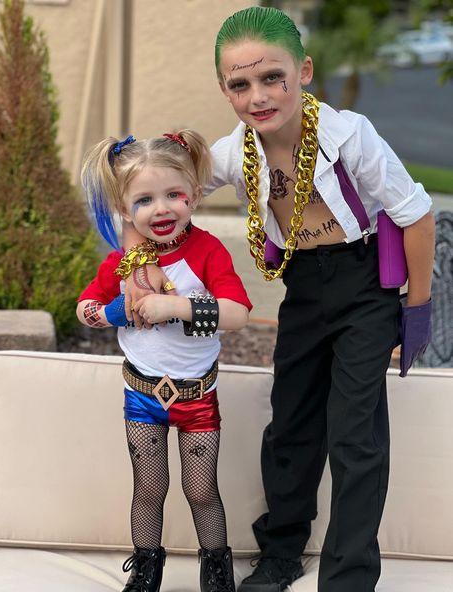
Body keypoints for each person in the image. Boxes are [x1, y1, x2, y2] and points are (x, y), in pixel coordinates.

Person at [121, 7, 435, 592]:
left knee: (354, 434)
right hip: (304, 287)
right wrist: (135, 263)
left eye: (273, 78)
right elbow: (155, 189)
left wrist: (416, 309)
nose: (258, 95)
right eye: (239, 84)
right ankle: (282, 553)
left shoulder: (349, 136)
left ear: (304, 72)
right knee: (289, 423)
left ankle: (347, 576)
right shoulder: (232, 151)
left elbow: (416, 215)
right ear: (224, 88)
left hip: (363, 287)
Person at [77, 129, 252, 592]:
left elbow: (237, 313)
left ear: (195, 196)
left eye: (174, 194)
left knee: (202, 491)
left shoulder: (208, 251)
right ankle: (146, 573)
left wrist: (175, 306)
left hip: (197, 398)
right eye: (145, 200)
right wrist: (117, 310)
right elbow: (85, 309)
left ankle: (216, 573)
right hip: (143, 397)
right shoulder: (121, 262)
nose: (162, 209)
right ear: (124, 209)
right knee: (149, 491)